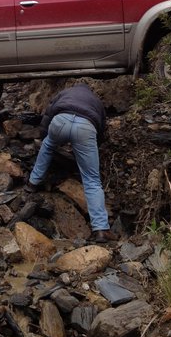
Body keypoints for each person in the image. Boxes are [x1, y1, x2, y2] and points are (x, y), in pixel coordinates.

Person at [25, 83, 116, 243]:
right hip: (85, 127)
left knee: (48, 145)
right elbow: (101, 128)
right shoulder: (95, 100)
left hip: (60, 121)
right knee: (92, 180)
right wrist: (92, 148)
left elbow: (49, 113)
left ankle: (33, 183)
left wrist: (43, 135)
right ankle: (101, 229)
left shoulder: (65, 92)